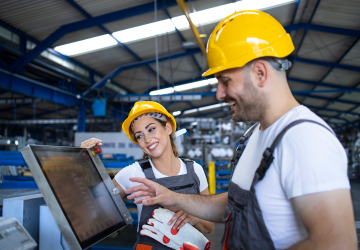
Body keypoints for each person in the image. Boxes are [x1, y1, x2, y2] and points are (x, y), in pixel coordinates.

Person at [125, 10, 358, 250]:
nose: (219, 94)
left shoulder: (305, 139)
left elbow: (337, 244)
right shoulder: (254, 135)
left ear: (260, 73)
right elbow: (235, 204)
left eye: (225, 81)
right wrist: (174, 198)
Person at [80, 101, 214, 249]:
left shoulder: (195, 170)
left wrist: (194, 218)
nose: (147, 139)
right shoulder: (133, 173)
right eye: (139, 136)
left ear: (168, 128)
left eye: (151, 129)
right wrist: (84, 162)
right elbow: (96, 207)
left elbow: (209, 226)